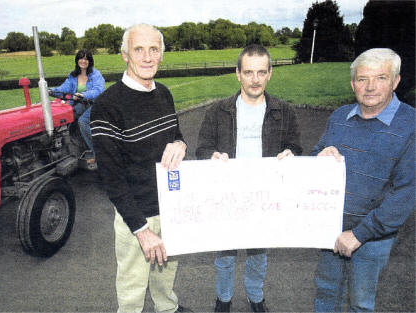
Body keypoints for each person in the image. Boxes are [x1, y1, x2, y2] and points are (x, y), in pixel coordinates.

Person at [90, 24, 190, 313]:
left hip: (170, 208)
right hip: (136, 217)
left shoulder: (165, 94)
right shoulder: (106, 106)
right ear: (125, 55)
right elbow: (111, 178)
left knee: (166, 278)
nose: (147, 57)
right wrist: (142, 230)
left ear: (161, 55)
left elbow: (177, 136)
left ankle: (168, 309)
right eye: (139, 49)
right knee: (132, 289)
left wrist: (180, 145)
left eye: (154, 49)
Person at [196, 44, 302, 312]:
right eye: (249, 72)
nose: (255, 79)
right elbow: (202, 148)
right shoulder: (217, 111)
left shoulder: (284, 110)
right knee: (225, 253)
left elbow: (295, 146)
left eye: (261, 72)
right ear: (238, 74)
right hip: (227, 194)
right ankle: (224, 299)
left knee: (258, 253)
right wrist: (211, 156)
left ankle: (256, 297)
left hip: (265, 195)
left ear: (270, 74)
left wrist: (292, 153)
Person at [312, 48, 415, 312]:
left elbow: (404, 193)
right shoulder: (339, 117)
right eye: (362, 79)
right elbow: (316, 158)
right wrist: (319, 156)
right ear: (352, 83)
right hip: (330, 230)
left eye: (380, 78)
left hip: (372, 239)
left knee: (361, 303)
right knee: (325, 293)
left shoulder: (411, 126)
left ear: (396, 81)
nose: (370, 87)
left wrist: (359, 234)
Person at [50, 49, 105, 159]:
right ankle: (72, 149)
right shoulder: (73, 75)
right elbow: (64, 88)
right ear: (77, 60)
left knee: (83, 122)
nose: (83, 61)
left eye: (86, 59)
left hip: (95, 104)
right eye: (81, 58)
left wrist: (83, 94)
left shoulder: (95, 74)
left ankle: (97, 153)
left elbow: (98, 90)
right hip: (81, 103)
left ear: (90, 61)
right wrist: (51, 90)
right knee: (65, 120)